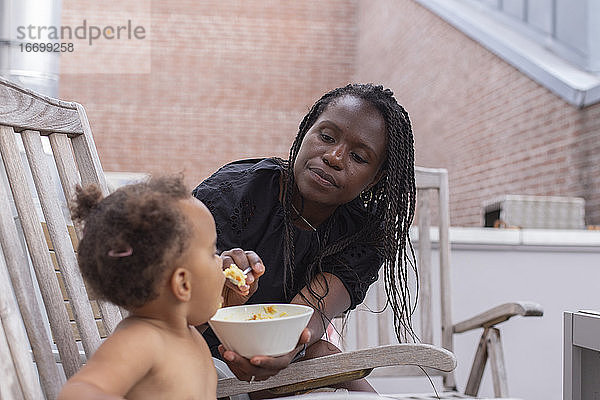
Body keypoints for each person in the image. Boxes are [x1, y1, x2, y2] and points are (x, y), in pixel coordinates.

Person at [193, 83, 417, 393]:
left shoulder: (364, 232)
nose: (335, 157)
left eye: (359, 157)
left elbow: (305, 319)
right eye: (326, 137)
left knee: (326, 355)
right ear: (305, 131)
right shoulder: (234, 194)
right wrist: (215, 286)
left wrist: (283, 350)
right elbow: (170, 310)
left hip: (287, 360)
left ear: (375, 178)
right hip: (200, 351)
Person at [59, 176, 225, 400]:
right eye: (212, 252)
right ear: (183, 284)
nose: (222, 262)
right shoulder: (142, 340)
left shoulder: (189, 337)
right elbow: (78, 393)